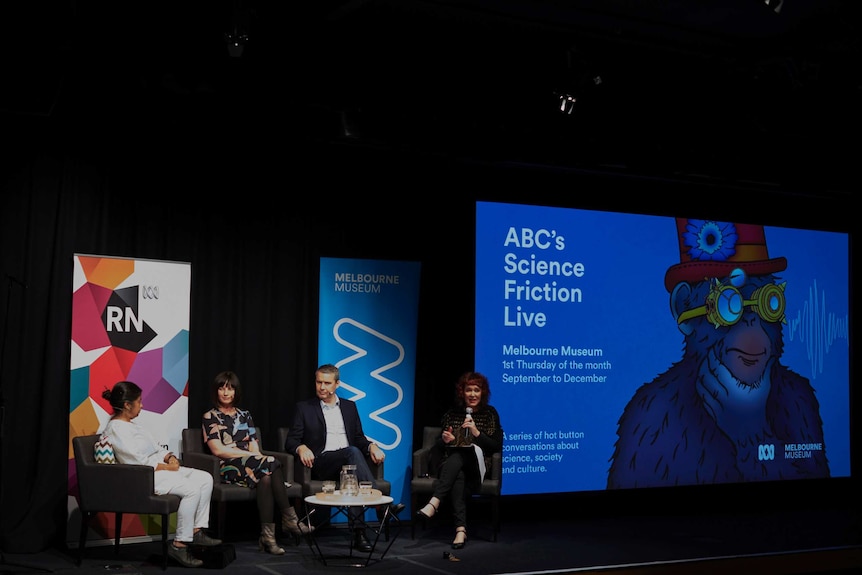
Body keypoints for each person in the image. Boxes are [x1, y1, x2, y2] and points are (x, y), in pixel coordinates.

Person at [99, 381, 221, 569]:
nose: (142, 405)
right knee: (191, 489)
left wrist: (170, 456)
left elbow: (155, 446)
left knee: (205, 478)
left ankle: (196, 531)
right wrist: (166, 467)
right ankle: (179, 545)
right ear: (127, 405)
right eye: (139, 402)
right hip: (142, 478)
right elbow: (136, 461)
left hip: (158, 469)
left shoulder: (134, 425)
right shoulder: (116, 429)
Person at [284, 363, 404, 553]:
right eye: (318, 382)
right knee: (352, 452)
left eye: (327, 383)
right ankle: (381, 506)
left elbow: (358, 438)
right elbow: (290, 440)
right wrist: (300, 447)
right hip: (322, 462)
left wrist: (372, 445)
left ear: (337, 384)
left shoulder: (349, 407)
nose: (322, 387)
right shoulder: (304, 408)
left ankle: (359, 534)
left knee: (352, 469)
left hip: (348, 463)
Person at [202, 370, 313, 555]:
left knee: (267, 477)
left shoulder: (245, 415)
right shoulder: (210, 417)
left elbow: (255, 449)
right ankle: (290, 520)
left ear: (236, 392)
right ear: (216, 391)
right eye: (221, 388)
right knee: (271, 463)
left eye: (230, 389)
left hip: (252, 465)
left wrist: (257, 458)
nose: (225, 393)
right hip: (226, 466)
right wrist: (246, 455)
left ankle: (268, 538)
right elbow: (218, 450)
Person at [415, 371, 503, 549]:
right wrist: (445, 440)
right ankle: (460, 530)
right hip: (453, 465)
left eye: (476, 390)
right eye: (468, 390)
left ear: (482, 393)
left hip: (479, 465)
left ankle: (435, 501)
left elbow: (496, 446)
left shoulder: (490, 414)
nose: (472, 394)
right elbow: (439, 446)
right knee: (458, 468)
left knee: (462, 454)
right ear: (462, 393)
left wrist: (477, 433)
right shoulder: (452, 414)